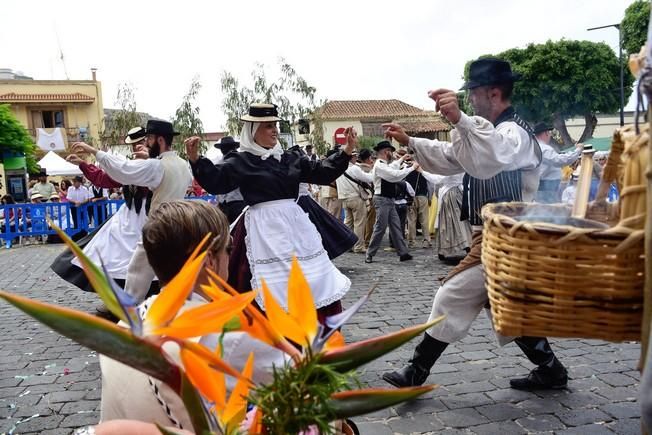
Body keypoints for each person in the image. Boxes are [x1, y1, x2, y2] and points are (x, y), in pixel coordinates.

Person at [382, 58, 567, 391]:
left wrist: (460, 119)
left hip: (507, 240)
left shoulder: (512, 133)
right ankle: (551, 369)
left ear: (493, 93)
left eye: (475, 94)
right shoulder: (491, 133)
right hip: (497, 238)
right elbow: (456, 156)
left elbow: (491, 157)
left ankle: (416, 371)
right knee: (506, 309)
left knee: (450, 295)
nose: (471, 101)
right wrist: (411, 141)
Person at [98, 200, 286, 431]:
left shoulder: (125, 325)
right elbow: (302, 382)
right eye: (228, 248)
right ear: (209, 262)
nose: (231, 255)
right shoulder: (227, 333)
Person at [186, 103, 353, 320]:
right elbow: (218, 182)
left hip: (294, 223)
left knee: (308, 273)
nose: (274, 130)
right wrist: (195, 160)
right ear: (253, 131)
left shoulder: (289, 158)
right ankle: (265, 327)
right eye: (267, 126)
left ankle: (314, 320)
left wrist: (346, 151)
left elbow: (321, 173)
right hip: (262, 226)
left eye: (275, 124)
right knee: (259, 276)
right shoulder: (240, 161)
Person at [71, 120, 193, 304]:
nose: (145, 144)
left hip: (158, 225)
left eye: (149, 139)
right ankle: (172, 307)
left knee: (138, 271)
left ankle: (130, 312)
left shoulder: (155, 165)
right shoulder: (183, 164)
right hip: (177, 225)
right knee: (172, 271)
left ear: (159, 140)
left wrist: (93, 150)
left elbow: (123, 170)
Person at [52, 127, 158, 303]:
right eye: (133, 145)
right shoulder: (128, 165)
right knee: (107, 251)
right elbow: (105, 178)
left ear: (149, 142)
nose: (136, 148)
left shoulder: (156, 163)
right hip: (129, 215)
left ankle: (153, 296)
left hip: (151, 214)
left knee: (150, 255)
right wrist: (82, 164)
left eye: (140, 143)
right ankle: (120, 298)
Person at [364, 141, 416, 264]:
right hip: (382, 199)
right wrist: (412, 168)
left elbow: (393, 167)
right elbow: (394, 175)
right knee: (380, 228)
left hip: (388, 199)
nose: (392, 153)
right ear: (386, 151)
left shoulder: (383, 164)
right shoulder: (380, 166)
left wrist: (402, 159)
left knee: (396, 226)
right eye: (390, 151)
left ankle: (403, 253)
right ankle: (369, 253)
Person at [335, 151, 374, 253]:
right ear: (351, 157)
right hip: (355, 198)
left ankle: (348, 246)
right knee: (359, 223)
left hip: (344, 198)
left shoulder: (339, 168)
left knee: (348, 223)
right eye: (355, 156)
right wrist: (373, 170)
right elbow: (369, 178)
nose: (356, 158)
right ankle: (358, 246)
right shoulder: (354, 168)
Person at [534, 123, 582, 203]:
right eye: (549, 133)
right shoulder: (544, 148)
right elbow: (560, 161)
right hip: (546, 187)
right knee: (549, 208)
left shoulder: (535, 147)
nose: (549, 135)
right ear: (546, 133)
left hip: (543, 185)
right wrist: (578, 150)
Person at [213, 136, 246, 223]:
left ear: (234, 148)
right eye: (224, 147)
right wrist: (219, 201)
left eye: (228, 147)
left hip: (238, 203)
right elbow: (216, 183)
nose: (225, 150)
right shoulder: (218, 163)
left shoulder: (241, 162)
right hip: (223, 205)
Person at [405, 161, 433, 249]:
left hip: (410, 197)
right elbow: (430, 185)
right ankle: (426, 241)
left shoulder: (407, 169)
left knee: (411, 220)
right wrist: (430, 197)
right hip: (422, 196)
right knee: (424, 220)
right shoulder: (423, 169)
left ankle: (411, 241)